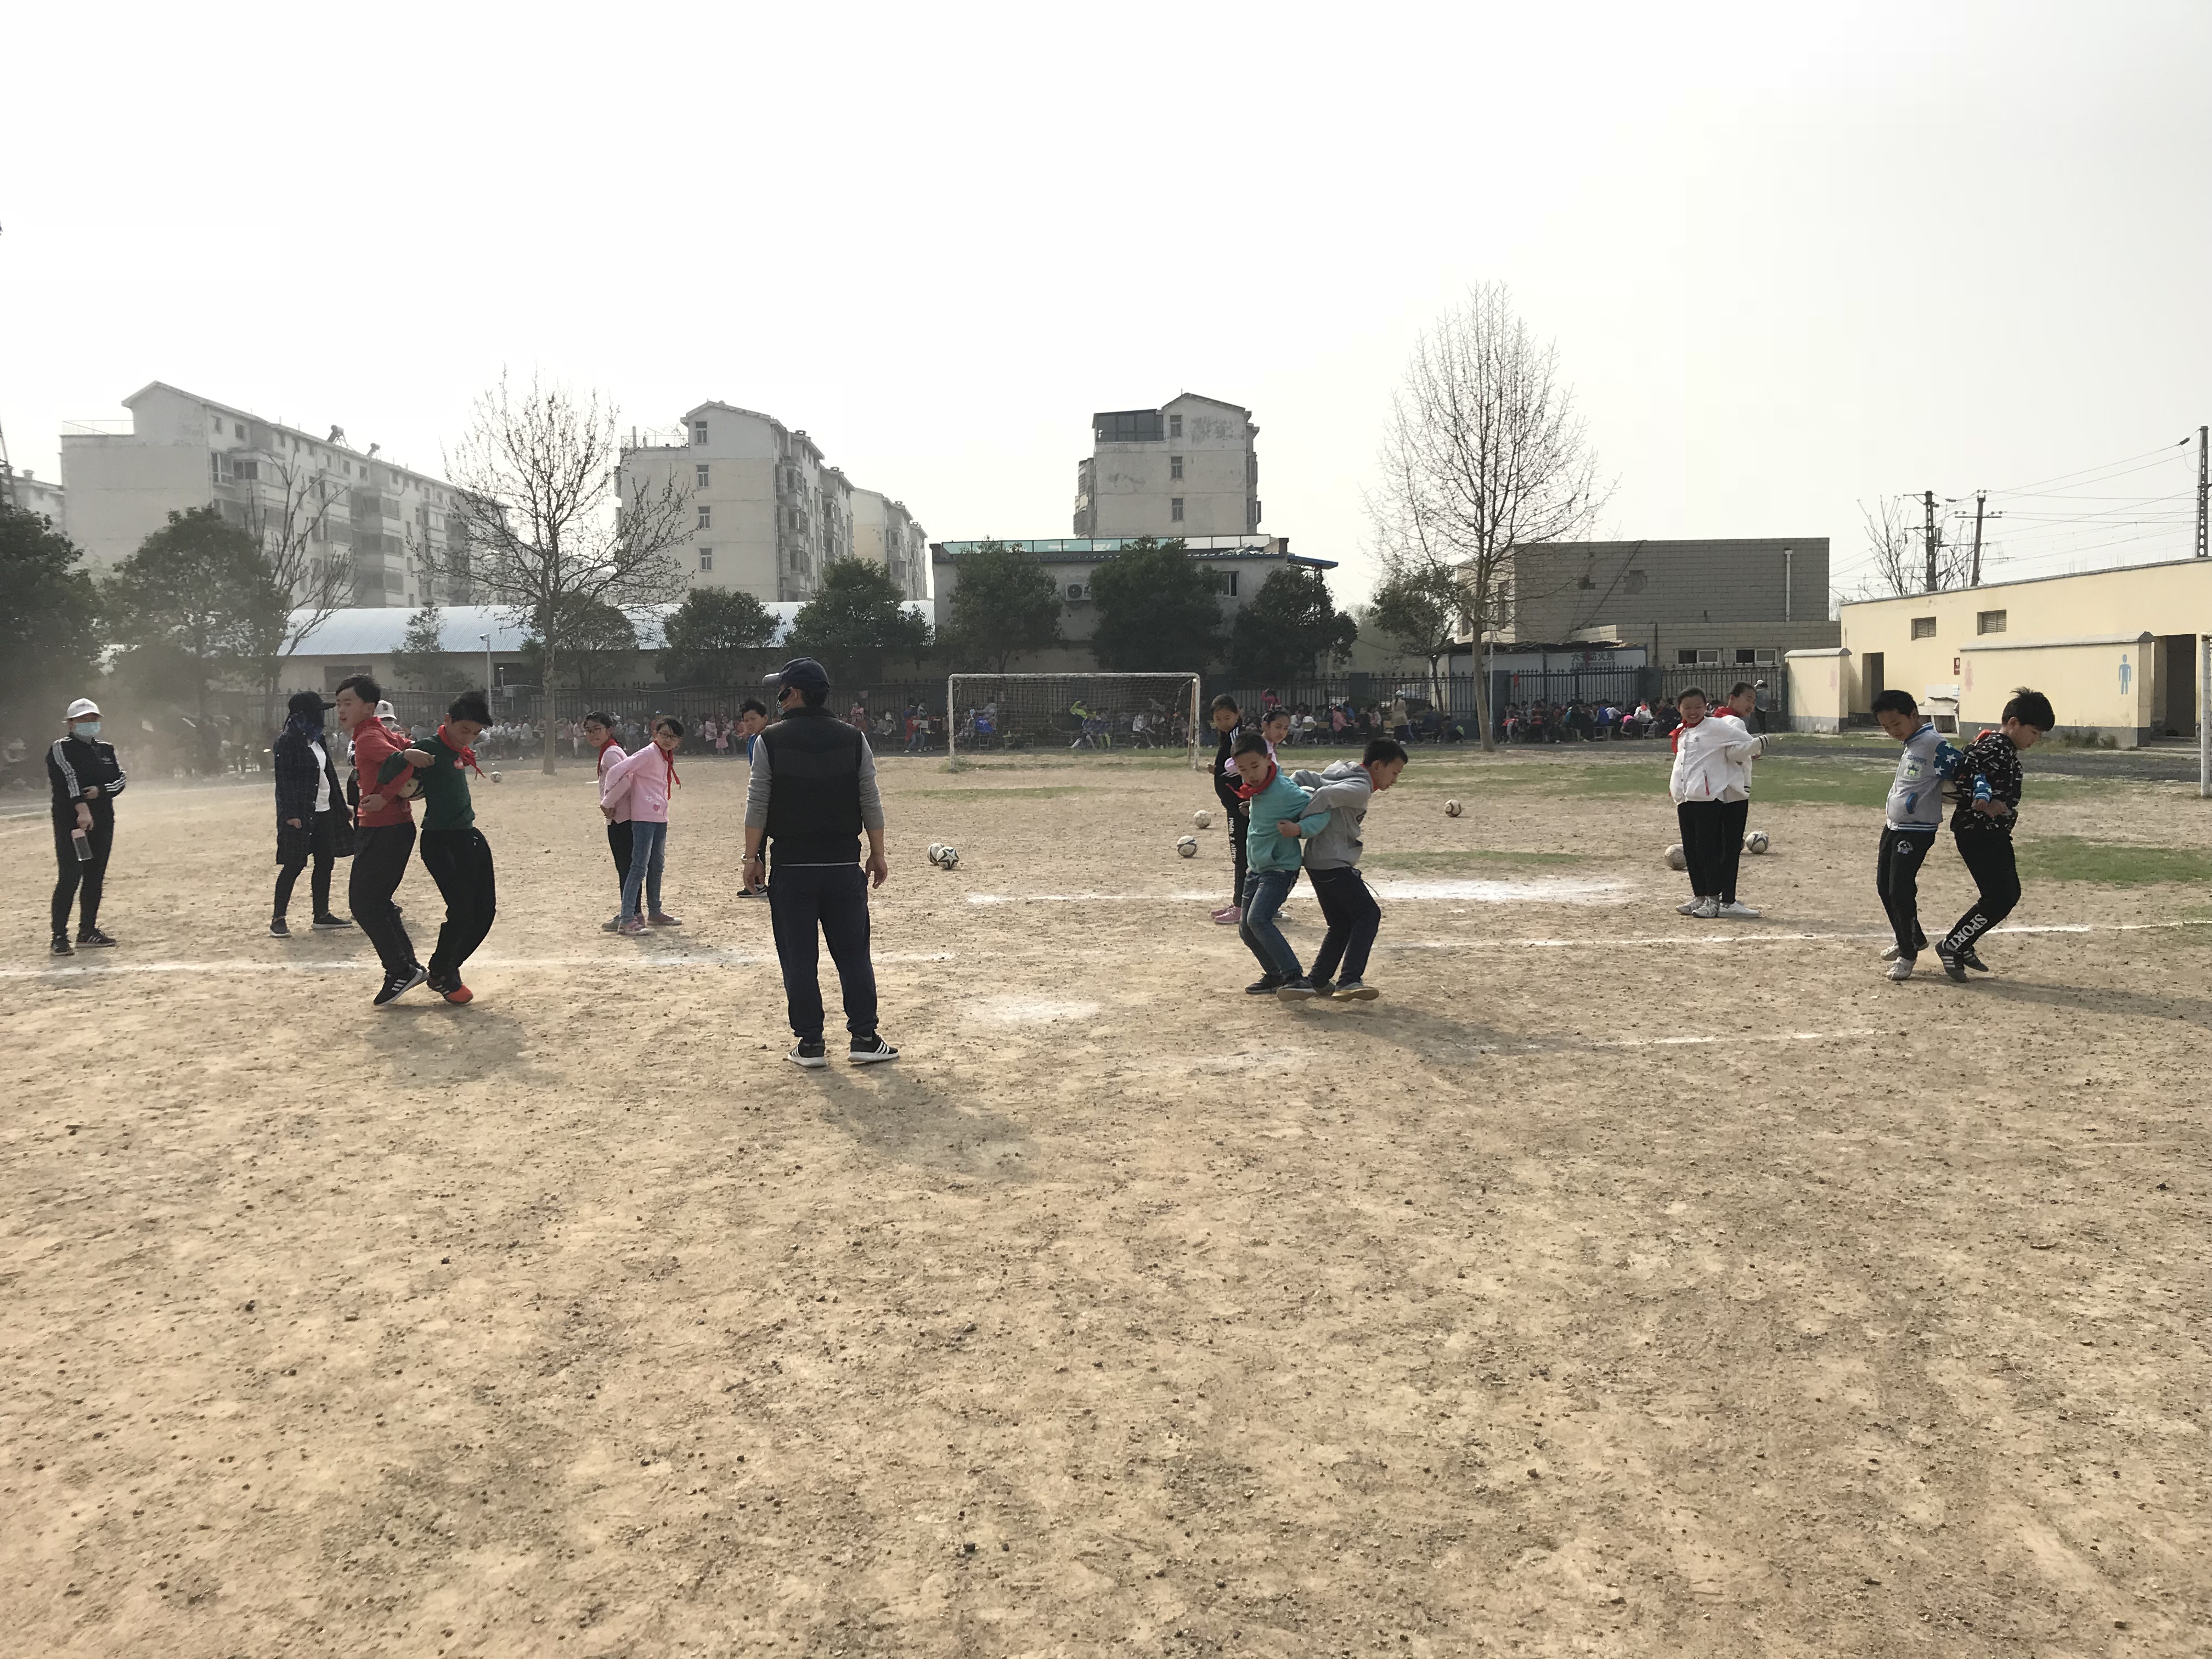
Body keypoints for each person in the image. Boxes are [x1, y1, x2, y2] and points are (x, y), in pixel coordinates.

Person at [742, 657, 898, 1068]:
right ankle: (864, 1037)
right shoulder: (853, 738)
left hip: (792, 868)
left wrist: (751, 858)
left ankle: (810, 1043)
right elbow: (870, 799)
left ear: (793, 693)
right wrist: (877, 853)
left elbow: (758, 803)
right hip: (843, 866)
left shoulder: (769, 741)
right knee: (853, 955)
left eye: (782, 689)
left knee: (799, 957)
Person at [380, 691, 496, 1004]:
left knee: (485, 912)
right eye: (464, 730)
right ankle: (442, 972)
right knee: (461, 912)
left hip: (468, 836)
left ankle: (447, 967)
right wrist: (405, 756)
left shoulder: (457, 750)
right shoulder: (428, 747)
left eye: (474, 733)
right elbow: (386, 771)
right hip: (440, 841)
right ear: (448, 721)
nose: (468, 738)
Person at [1937, 688, 2055, 983]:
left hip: (1987, 833)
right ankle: (1953, 945)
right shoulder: (1995, 748)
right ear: (2013, 723)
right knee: (2002, 896)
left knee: (2001, 895)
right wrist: (1986, 803)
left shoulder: (1997, 746)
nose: (2036, 739)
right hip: (1979, 832)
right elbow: (1960, 772)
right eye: (2034, 731)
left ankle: (1960, 944)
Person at [1289, 737, 1407, 1002]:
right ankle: (1349, 979)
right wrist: (1301, 819)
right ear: (1378, 765)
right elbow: (1325, 795)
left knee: (1341, 924)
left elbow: (1305, 776)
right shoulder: (1361, 787)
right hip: (1333, 862)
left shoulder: (1341, 770)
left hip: (1318, 861)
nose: (1395, 780)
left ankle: (1317, 981)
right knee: (1368, 914)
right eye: (1394, 772)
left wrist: (1286, 793)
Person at [340, 675, 428, 1006]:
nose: (341, 710)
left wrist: (384, 796)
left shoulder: (368, 738)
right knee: (377, 902)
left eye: (348, 703)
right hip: (386, 828)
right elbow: (406, 754)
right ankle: (407, 966)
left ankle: (400, 970)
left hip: (385, 829)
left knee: (365, 905)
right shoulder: (374, 733)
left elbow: (406, 762)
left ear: (368, 706)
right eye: (338, 703)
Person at [1871, 689, 1961, 981]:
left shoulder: (1933, 743)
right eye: (1886, 728)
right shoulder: (1912, 744)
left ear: (1914, 716)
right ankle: (1910, 936)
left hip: (1917, 830)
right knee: (1884, 886)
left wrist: (1968, 791)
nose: (1892, 732)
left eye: (1896, 724)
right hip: (1894, 825)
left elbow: (1963, 768)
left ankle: (1908, 955)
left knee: (1900, 888)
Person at [1231, 731, 1328, 1000]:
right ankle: (1274, 975)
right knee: (1247, 930)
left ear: (1267, 759)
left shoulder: (1284, 790)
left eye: (1255, 766)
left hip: (1280, 868)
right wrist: (1251, 808)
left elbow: (1321, 811)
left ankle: (1295, 977)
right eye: (1242, 769)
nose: (1250, 774)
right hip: (1258, 869)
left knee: (1258, 919)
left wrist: (1299, 828)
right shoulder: (1258, 791)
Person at [1667, 687, 1767, 921]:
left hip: (1709, 797)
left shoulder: (1716, 725)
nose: (1693, 712)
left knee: (1707, 849)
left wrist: (1758, 745)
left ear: (1706, 707)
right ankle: (1699, 896)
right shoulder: (1682, 732)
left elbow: (1744, 746)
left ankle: (1714, 899)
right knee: (1691, 849)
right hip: (1686, 798)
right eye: (1687, 708)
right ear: (1679, 708)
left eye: (1698, 707)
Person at [271, 690, 354, 938]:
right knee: (294, 865)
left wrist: (341, 806)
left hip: (324, 809)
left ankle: (321, 915)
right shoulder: (288, 741)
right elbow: (283, 781)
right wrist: (290, 813)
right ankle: (278, 918)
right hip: (301, 812)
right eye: (318, 712)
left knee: (325, 862)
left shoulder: (318, 740)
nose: (322, 717)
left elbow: (328, 775)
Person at [47, 696, 126, 955]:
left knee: (95, 876)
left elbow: (120, 780)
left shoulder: (106, 750)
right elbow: (68, 779)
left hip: (103, 819)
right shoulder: (61, 748)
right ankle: (59, 936)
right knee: (70, 876)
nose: (89, 723)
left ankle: (87, 930)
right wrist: (82, 807)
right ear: (70, 724)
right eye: (82, 720)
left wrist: (101, 791)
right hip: (73, 822)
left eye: (93, 719)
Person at [601, 715, 685, 935]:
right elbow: (616, 771)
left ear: (678, 741)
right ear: (655, 734)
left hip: (660, 816)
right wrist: (607, 801)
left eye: (673, 737)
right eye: (664, 734)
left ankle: (655, 912)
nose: (668, 739)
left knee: (657, 866)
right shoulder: (649, 753)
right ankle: (627, 918)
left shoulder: (665, 756)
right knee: (639, 867)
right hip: (643, 817)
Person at [1707, 681, 1764, 917]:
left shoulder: (1715, 719)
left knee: (1718, 847)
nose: (1751, 704)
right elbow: (1734, 753)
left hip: (1715, 791)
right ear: (1732, 698)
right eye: (1748, 699)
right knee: (1730, 849)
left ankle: (1711, 898)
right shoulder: (1735, 721)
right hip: (1733, 792)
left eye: (1754, 700)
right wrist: (1756, 746)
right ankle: (1728, 901)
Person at [583, 711, 631, 930]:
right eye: (589, 731)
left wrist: (608, 803)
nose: (593, 734)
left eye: (597, 730)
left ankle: (629, 913)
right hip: (622, 816)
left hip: (621, 818)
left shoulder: (611, 754)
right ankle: (631, 910)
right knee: (628, 868)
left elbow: (626, 780)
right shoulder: (610, 751)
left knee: (626, 868)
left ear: (609, 731)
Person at [1208, 693, 1247, 926]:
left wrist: (1220, 772)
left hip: (1240, 806)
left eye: (1227, 717)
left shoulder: (1238, 737)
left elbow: (1240, 767)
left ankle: (1241, 906)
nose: (1223, 722)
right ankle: (1243, 903)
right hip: (1234, 806)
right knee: (1242, 855)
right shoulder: (1227, 736)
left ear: (1237, 714)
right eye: (1218, 718)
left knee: (1241, 856)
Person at [733, 698, 773, 899]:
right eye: (746, 720)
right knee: (760, 841)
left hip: (772, 798)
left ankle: (764, 883)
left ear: (765, 718)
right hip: (762, 796)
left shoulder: (769, 739)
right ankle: (760, 883)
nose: (749, 723)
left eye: (753, 719)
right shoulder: (752, 740)